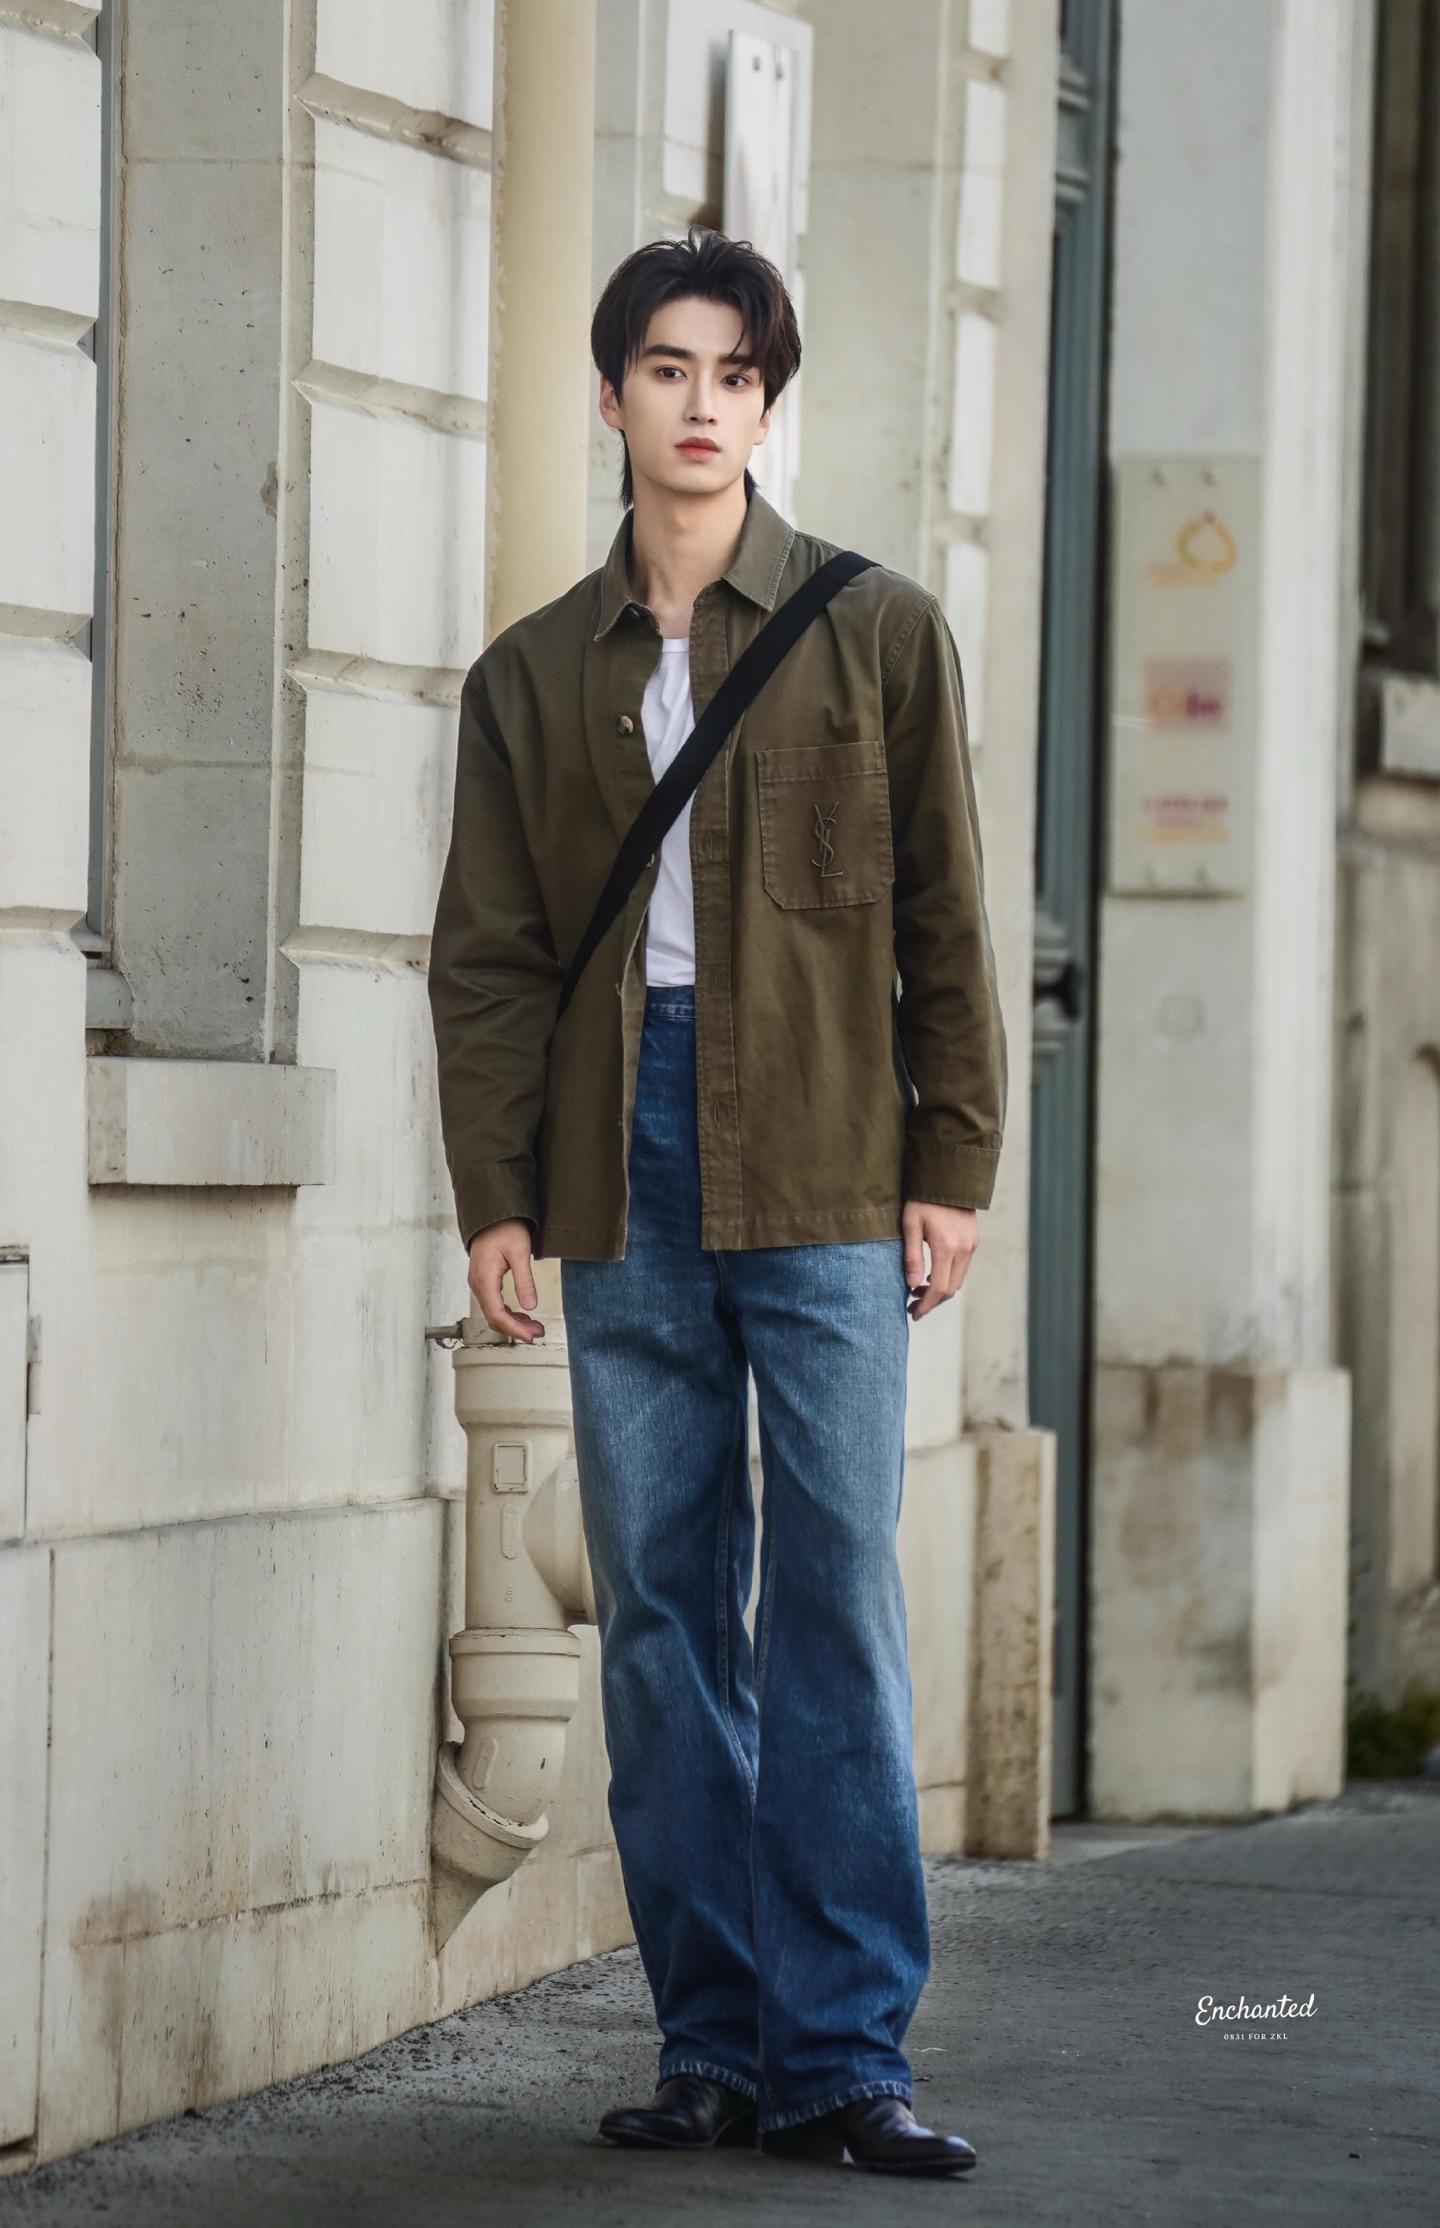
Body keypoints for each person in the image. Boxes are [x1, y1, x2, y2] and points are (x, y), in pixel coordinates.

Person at [428, 227, 1006, 2178]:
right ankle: (716, 2041)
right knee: (665, 1612)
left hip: (832, 1152)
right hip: (620, 1157)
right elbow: (491, 961)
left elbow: (946, 919)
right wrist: (498, 1196)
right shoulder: (530, 677)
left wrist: (953, 1163)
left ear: (768, 403)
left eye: (735, 374)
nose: (701, 404)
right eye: (667, 368)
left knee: (833, 1596)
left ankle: (843, 2054)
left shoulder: (878, 632)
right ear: (611, 396)